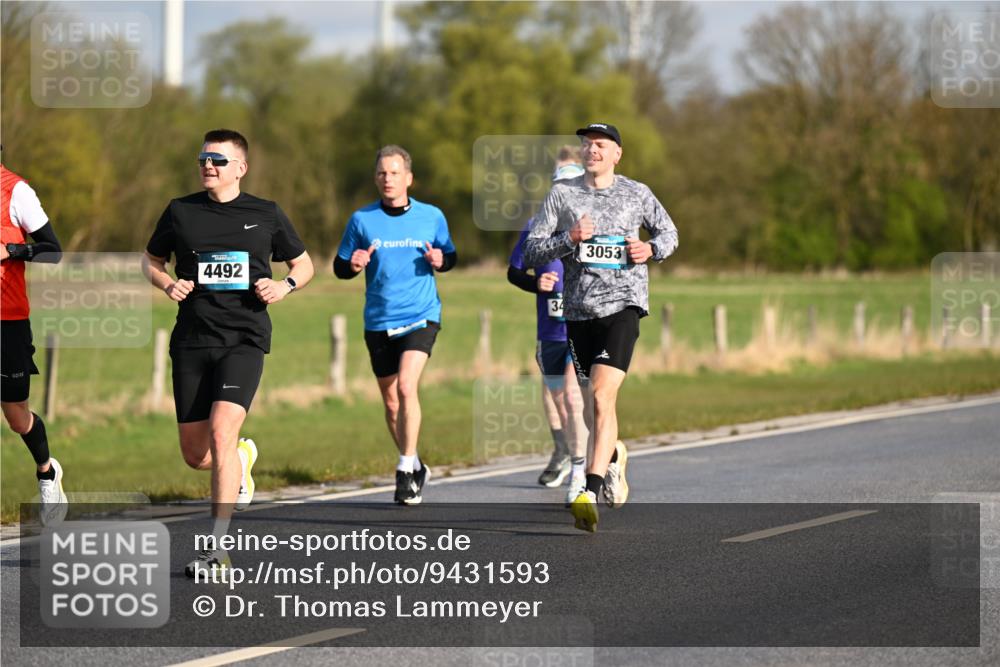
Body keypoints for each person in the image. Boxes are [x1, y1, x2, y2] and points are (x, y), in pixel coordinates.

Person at [142, 129, 314, 575]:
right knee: (196, 454)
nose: (208, 166)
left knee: (222, 433)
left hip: (244, 338)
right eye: (203, 158)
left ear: (241, 168)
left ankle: (215, 550)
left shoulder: (266, 213)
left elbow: (304, 264)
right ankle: (242, 459)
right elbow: (151, 260)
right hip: (192, 340)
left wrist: (284, 285)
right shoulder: (180, 211)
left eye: (218, 160)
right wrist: (167, 284)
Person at [523, 123, 679, 532]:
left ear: (616, 155)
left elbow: (669, 232)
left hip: (624, 305)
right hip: (577, 312)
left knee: (602, 395)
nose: (592, 150)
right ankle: (612, 458)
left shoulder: (637, 193)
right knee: (593, 408)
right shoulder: (562, 195)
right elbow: (532, 249)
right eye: (587, 144)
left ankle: (588, 492)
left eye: (601, 145)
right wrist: (569, 238)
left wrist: (650, 249)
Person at [334, 145, 456, 505]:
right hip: (378, 319)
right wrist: (353, 264)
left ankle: (403, 471)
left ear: (409, 178)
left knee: (406, 387)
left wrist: (440, 259)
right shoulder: (361, 220)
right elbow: (340, 266)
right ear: (376, 179)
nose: (388, 179)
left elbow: (450, 255)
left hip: (420, 314)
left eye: (395, 172)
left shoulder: (431, 216)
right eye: (382, 173)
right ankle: (415, 463)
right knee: (391, 405)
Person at [507, 148, 589, 505]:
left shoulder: (593, 226)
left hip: (582, 328)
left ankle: (582, 471)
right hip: (550, 331)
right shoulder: (535, 227)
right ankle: (572, 452)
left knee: (573, 396)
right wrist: (534, 283)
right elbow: (514, 272)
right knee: (557, 398)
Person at [1, 157, 67, 526]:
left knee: (16, 417)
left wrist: (13, 251)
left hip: (7, 320)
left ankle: (47, 471)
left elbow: (52, 250)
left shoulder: (16, 191)